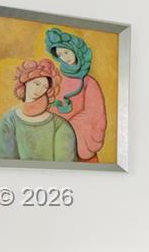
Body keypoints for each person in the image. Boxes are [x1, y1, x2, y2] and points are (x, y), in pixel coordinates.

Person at [0, 59, 77, 162]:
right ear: (26, 82)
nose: (40, 89)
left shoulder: (60, 125)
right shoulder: (9, 120)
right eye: (37, 83)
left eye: (45, 87)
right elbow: (3, 161)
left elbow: (65, 165)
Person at [44, 28, 107, 162]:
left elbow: (95, 113)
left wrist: (66, 130)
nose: (64, 58)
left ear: (75, 50)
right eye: (60, 54)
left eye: (66, 52)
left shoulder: (89, 82)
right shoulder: (55, 78)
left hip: (78, 145)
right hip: (52, 143)